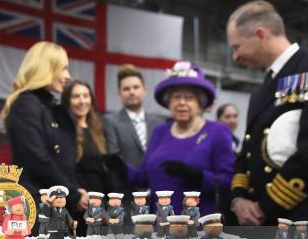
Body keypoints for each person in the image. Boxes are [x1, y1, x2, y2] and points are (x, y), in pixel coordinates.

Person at [227, 0, 308, 225]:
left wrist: (266, 206)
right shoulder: (260, 91)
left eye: (237, 47)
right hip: (260, 222)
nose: (235, 57)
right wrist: (238, 198)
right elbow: (247, 151)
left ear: (261, 34)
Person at [123, 61, 235, 216]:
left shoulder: (217, 131)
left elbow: (227, 181)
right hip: (159, 223)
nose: (182, 103)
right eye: (176, 97)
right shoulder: (160, 132)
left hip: (197, 225)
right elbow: (143, 178)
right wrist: (121, 168)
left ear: (200, 103)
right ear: (169, 102)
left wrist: (198, 176)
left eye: (189, 97)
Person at [2, 41, 88, 227]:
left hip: (56, 203)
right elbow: (38, 160)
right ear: (46, 69)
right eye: (63, 69)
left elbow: (65, 162)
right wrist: (72, 193)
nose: (68, 76)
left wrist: (75, 191)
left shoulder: (53, 109)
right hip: (36, 206)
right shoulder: (26, 104)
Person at [61, 80, 116, 194]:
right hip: (77, 198)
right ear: (67, 101)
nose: (82, 101)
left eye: (85, 96)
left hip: (101, 199)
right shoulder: (63, 130)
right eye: (76, 96)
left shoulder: (99, 129)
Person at [104, 64, 160, 168]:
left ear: (144, 91)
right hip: (126, 182)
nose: (132, 92)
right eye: (126, 89)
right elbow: (114, 157)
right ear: (119, 93)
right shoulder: (110, 122)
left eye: (136, 87)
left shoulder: (158, 123)